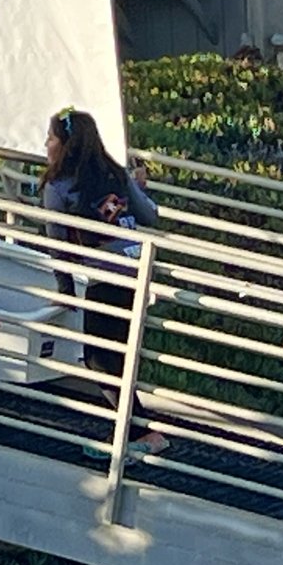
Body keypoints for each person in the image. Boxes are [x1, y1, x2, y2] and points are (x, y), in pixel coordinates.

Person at [40, 109, 172, 457]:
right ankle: (131, 435)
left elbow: (57, 244)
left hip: (107, 275)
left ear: (65, 145)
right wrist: (138, 188)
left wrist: (65, 290)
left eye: (51, 138)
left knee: (98, 360)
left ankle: (142, 435)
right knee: (119, 358)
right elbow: (150, 216)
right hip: (136, 269)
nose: (46, 144)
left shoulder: (57, 187)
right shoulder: (116, 173)